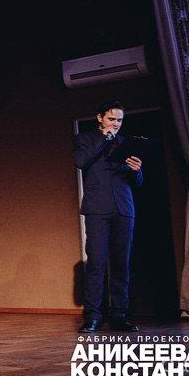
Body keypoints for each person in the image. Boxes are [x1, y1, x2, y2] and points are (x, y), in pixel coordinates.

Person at [74, 100, 144, 333]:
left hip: (124, 209)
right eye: (111, 119)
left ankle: (119, 316)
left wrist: (137, 171)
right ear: (100, 118)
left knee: (121, 264)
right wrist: (104, 140)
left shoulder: (126, 144)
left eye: (119, 120)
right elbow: (81, 162)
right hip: (97, 209)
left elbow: (136, 182)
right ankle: (93, 316)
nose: (116, 124)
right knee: (96, 262)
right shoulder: (86, 139)